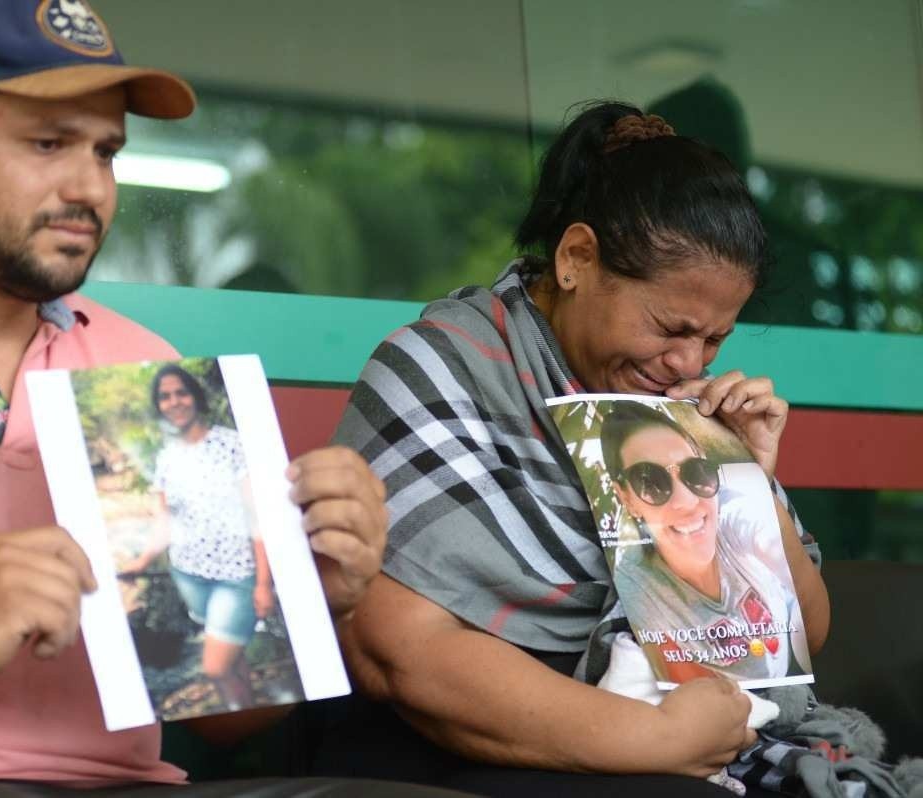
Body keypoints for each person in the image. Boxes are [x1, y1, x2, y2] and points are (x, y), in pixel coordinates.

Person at [0, 3, 471, 797]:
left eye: (106, 151)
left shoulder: (145, 372)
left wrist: (315, 598)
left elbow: (222, 708)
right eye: (47, 144)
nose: (90, 187)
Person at [328, 101, 830, 796]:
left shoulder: (685, 414)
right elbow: (400, 652)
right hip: (460, 761)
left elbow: (802, 638)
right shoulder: (443, 369)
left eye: (714, 339)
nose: (688, 363)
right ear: (576, 259)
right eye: (669, 326)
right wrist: (652, 739)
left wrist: (746, 490)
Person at [600, 402, 809, 684]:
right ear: (626, 497)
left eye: (694, 472)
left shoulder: (735, 513)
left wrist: (763, 492)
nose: (686, 502)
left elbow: (816, 636)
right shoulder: (636, 581)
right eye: (650, 482)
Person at [120, 365, 274, 711]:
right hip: (189, 575)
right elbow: (165, 522)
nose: (174, 402)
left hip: (237, 576)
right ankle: (246, 708)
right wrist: (142, 561)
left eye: (180, 392)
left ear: (195, 396)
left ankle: (240, 720)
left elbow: (256, 516)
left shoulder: (232, 445)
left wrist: (263, 582)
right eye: (165, 396)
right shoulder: (165, 458)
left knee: (214, 666)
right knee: (232, 657)